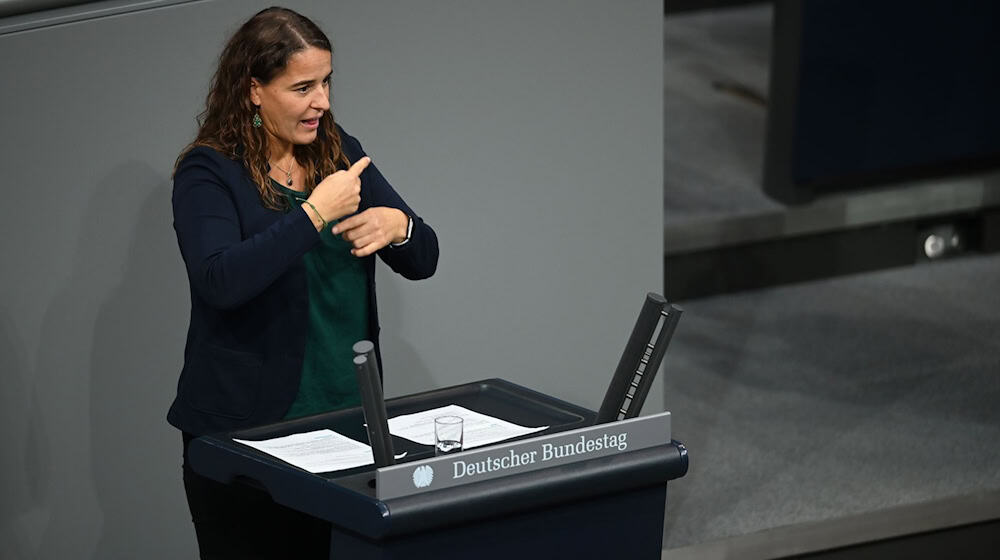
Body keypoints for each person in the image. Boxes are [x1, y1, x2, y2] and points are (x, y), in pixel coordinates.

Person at [167, 7, 439, 558]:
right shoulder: (208, 172)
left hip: (349, 424)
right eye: (304, 87)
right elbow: (221, 279)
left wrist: (399, 226)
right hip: (246, 433)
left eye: (327, 82)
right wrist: (314, 215)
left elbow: (424, 259)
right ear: (254, 90)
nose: (323, 102)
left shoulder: (340, 150)